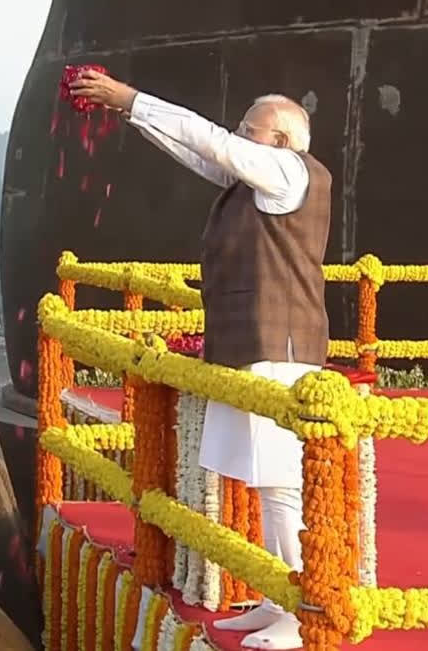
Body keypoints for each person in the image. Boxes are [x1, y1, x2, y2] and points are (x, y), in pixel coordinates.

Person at [70, 69, 331, 651]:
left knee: (283, 486)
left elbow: (210, 140)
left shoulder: (290, 173)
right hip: (250, 347)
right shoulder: (254, 180)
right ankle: (273, 597)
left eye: (250, 128)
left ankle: (299, 612)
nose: (238, 135)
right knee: (268, 486)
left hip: (278, 349)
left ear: (282, 139)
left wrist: (130, 96)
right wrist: (130, 114)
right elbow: (198, 149)